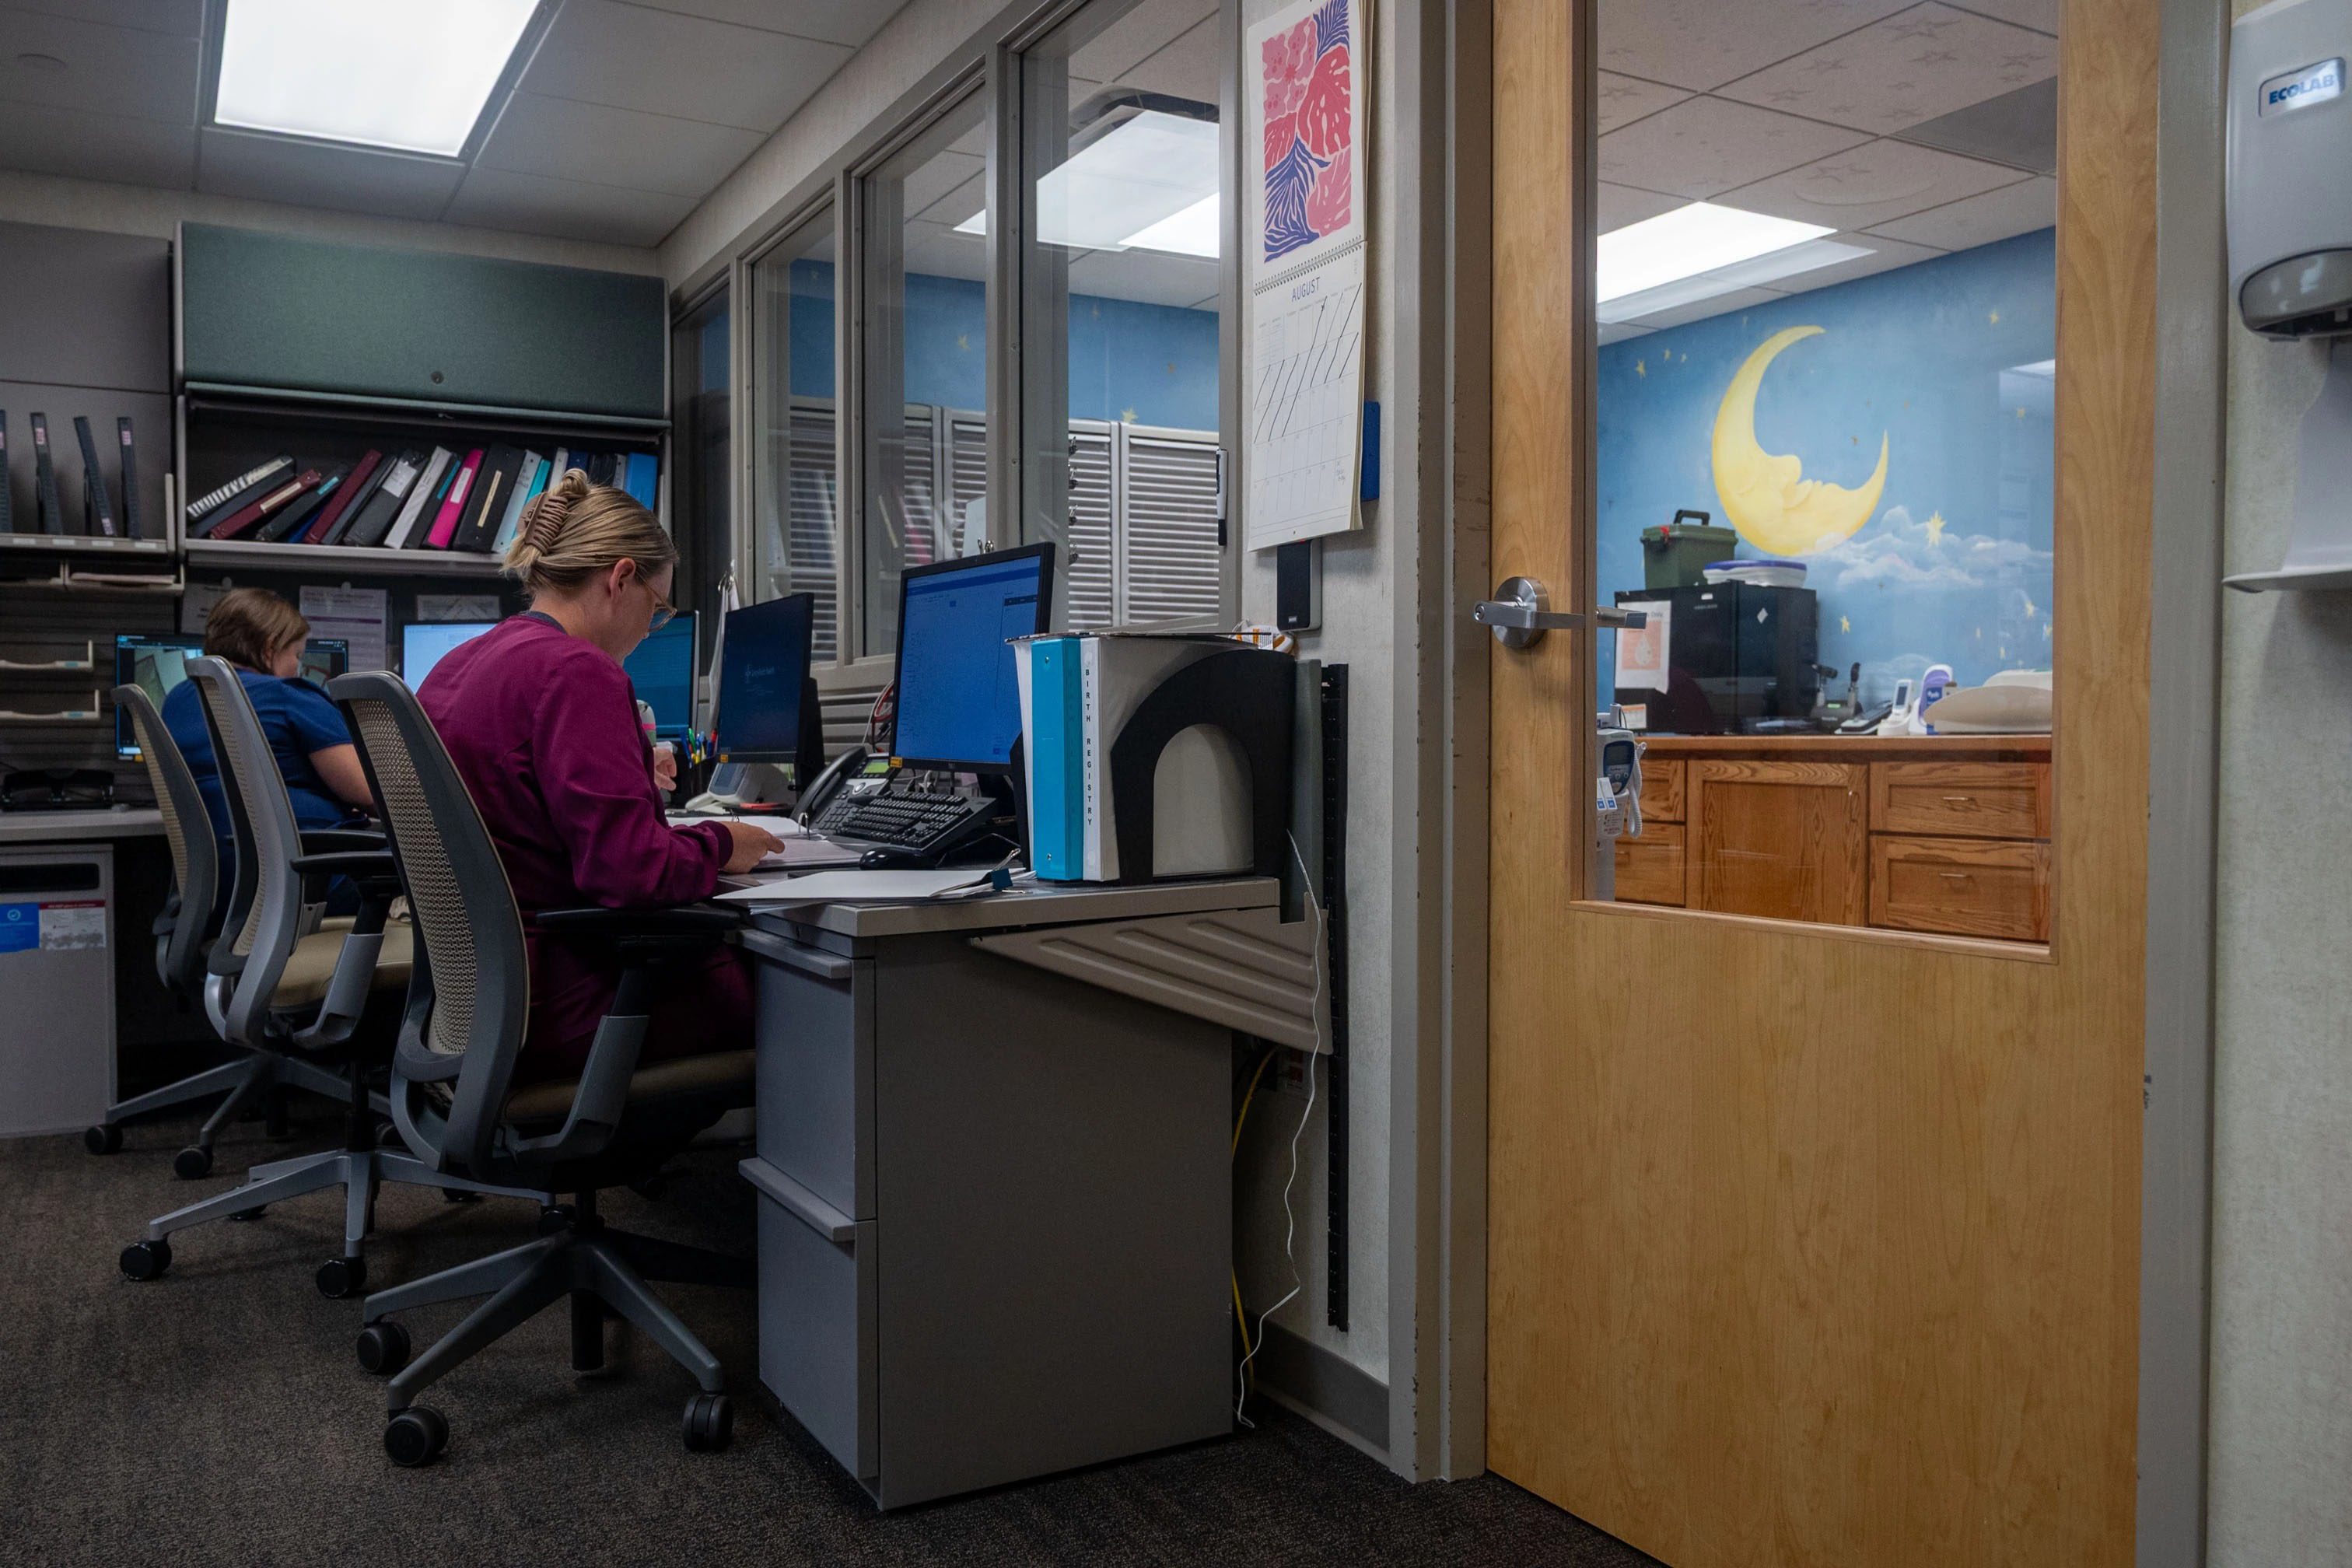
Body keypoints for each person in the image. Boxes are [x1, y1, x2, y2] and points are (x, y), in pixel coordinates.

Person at [417, 469, 782, 1083]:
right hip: (567, 1003)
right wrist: (724, 842)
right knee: (812, 1000)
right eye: (658, 608)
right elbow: (631, 874)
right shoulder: (575, 671)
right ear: (620, 578)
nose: (650, 628)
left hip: (483, 998)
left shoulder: (459, 665)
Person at [163, 586, 375, 849]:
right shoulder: (287, 695)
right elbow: (369, 793)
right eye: (297, 655)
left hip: (222, 870)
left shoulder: (177, 699)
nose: (297, 668)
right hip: (303, 866)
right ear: (269, 648)